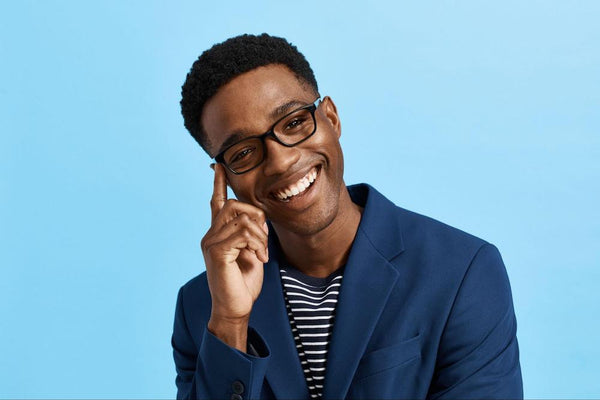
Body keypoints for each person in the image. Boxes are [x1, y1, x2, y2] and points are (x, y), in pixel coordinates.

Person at [172, 33, 523, 400]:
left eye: (293, 123)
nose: (281, 161)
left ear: (331, 118)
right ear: (224, 177)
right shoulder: (202, 309)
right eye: (244, 152)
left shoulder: (462, 270)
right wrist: (230, 323)